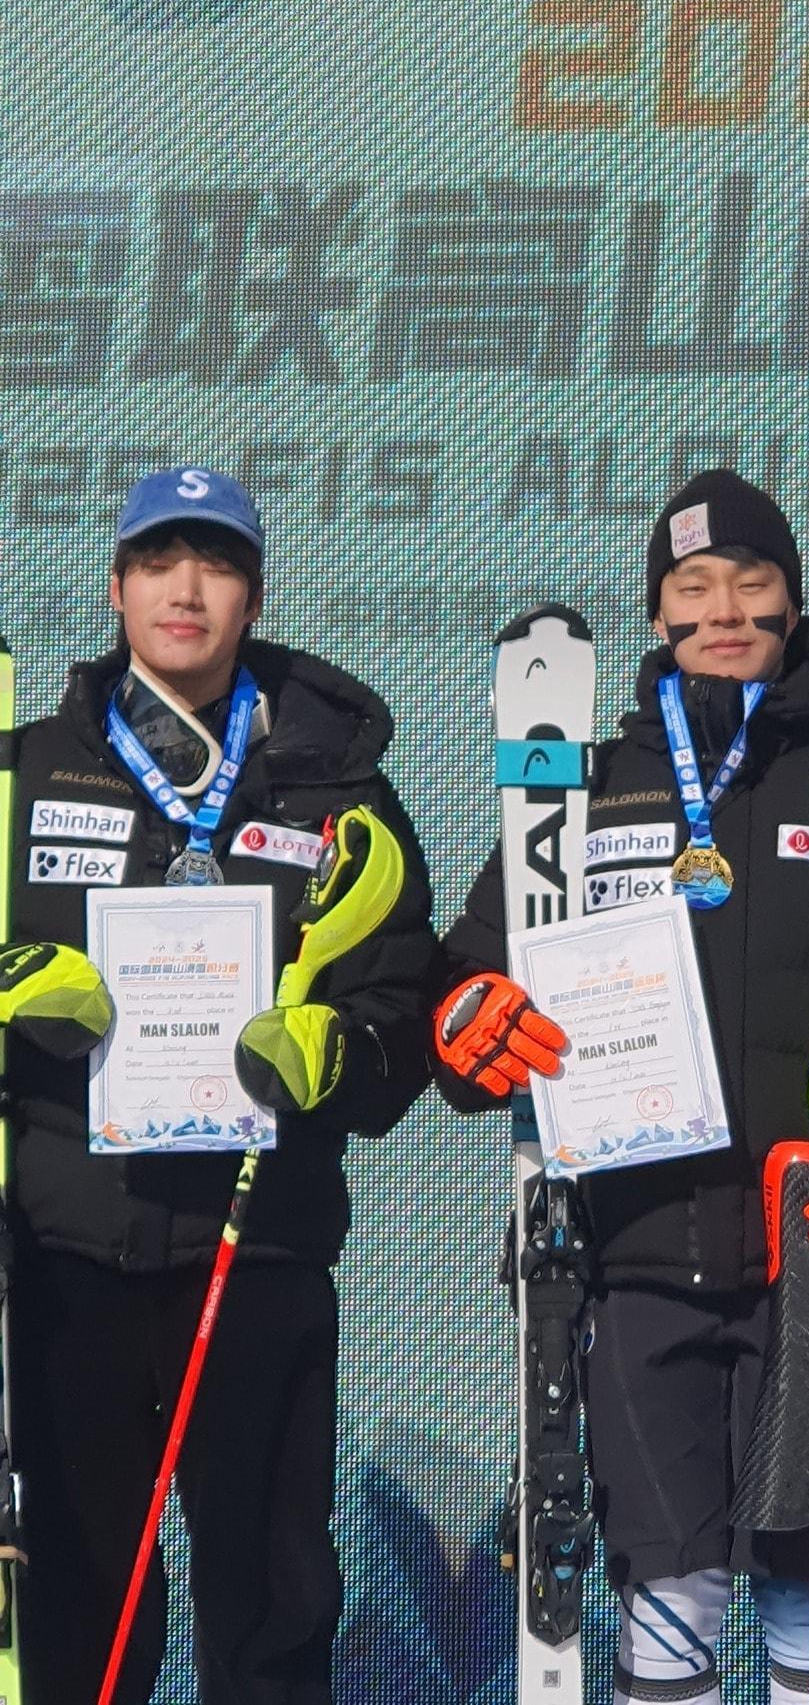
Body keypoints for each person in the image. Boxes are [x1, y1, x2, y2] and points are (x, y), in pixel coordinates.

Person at [433, 469, 809, 1705]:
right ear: (657, 614)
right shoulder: (573, 795)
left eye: (752, 582)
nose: (723, 608)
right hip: (635, 1253)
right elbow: (473, 978)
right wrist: (467, 1019)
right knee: (668, 1591)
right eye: (693, 587)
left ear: (790, 604)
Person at [3, 467, 435, 1704]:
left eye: (216, 565)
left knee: (273, 1602)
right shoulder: (21, 775)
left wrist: (334, 1053)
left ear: (253, 596)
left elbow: (401, 1002)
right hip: (68, 1255)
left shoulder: (335, 787)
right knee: (84, 1598)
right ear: (114, 589)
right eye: (157, 562)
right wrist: (13, 985)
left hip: (259, 1251)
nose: (184, 589)